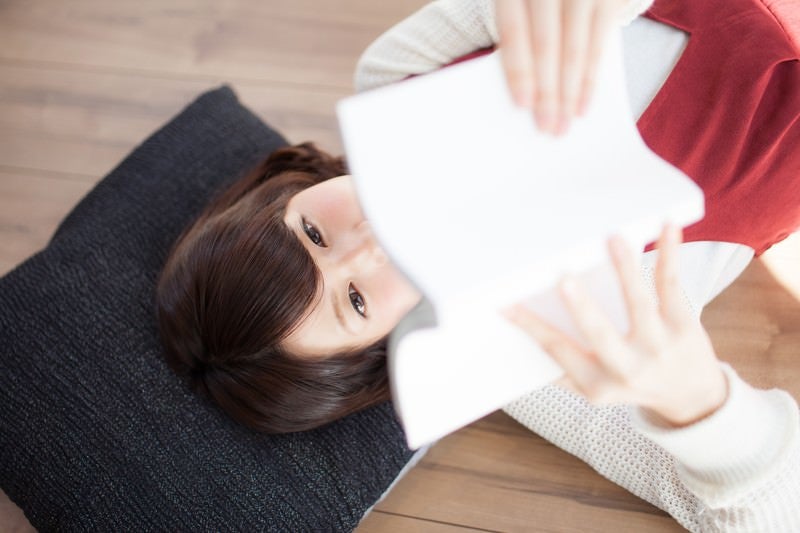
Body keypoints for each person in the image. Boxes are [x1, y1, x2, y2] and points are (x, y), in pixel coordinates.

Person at [156, 0, 800, 529]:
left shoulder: (393, 79)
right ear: (388, 350)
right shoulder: (554, 353)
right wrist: (698, 403)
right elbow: (765, 514)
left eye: (313, 232)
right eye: (355, 301)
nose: (370, 242)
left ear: (287, 187)